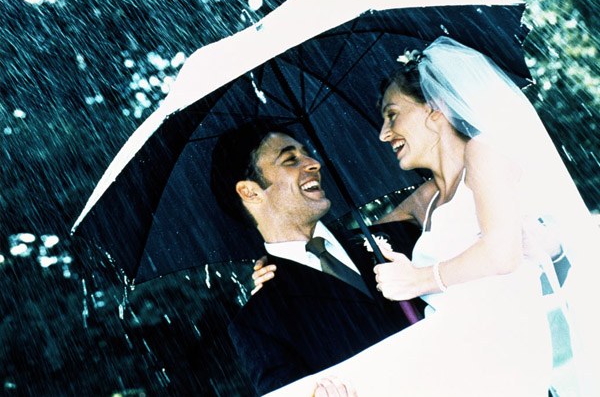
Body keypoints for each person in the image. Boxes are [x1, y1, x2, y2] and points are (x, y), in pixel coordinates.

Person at [257, 37, 575, 396]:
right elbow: (343, 246)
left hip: (503, 362)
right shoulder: (427, 198)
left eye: (392, 114)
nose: (383, 134)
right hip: (453, 367)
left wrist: (419, 279)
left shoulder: (483, 153)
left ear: (435, 108)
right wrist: (288, 264)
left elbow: (502, 254)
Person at [209, 121, 423, 396]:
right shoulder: (258, 324)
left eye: (307, 154)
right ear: (250, 192)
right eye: (290, 160)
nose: (314, 164)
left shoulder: (397, 236)